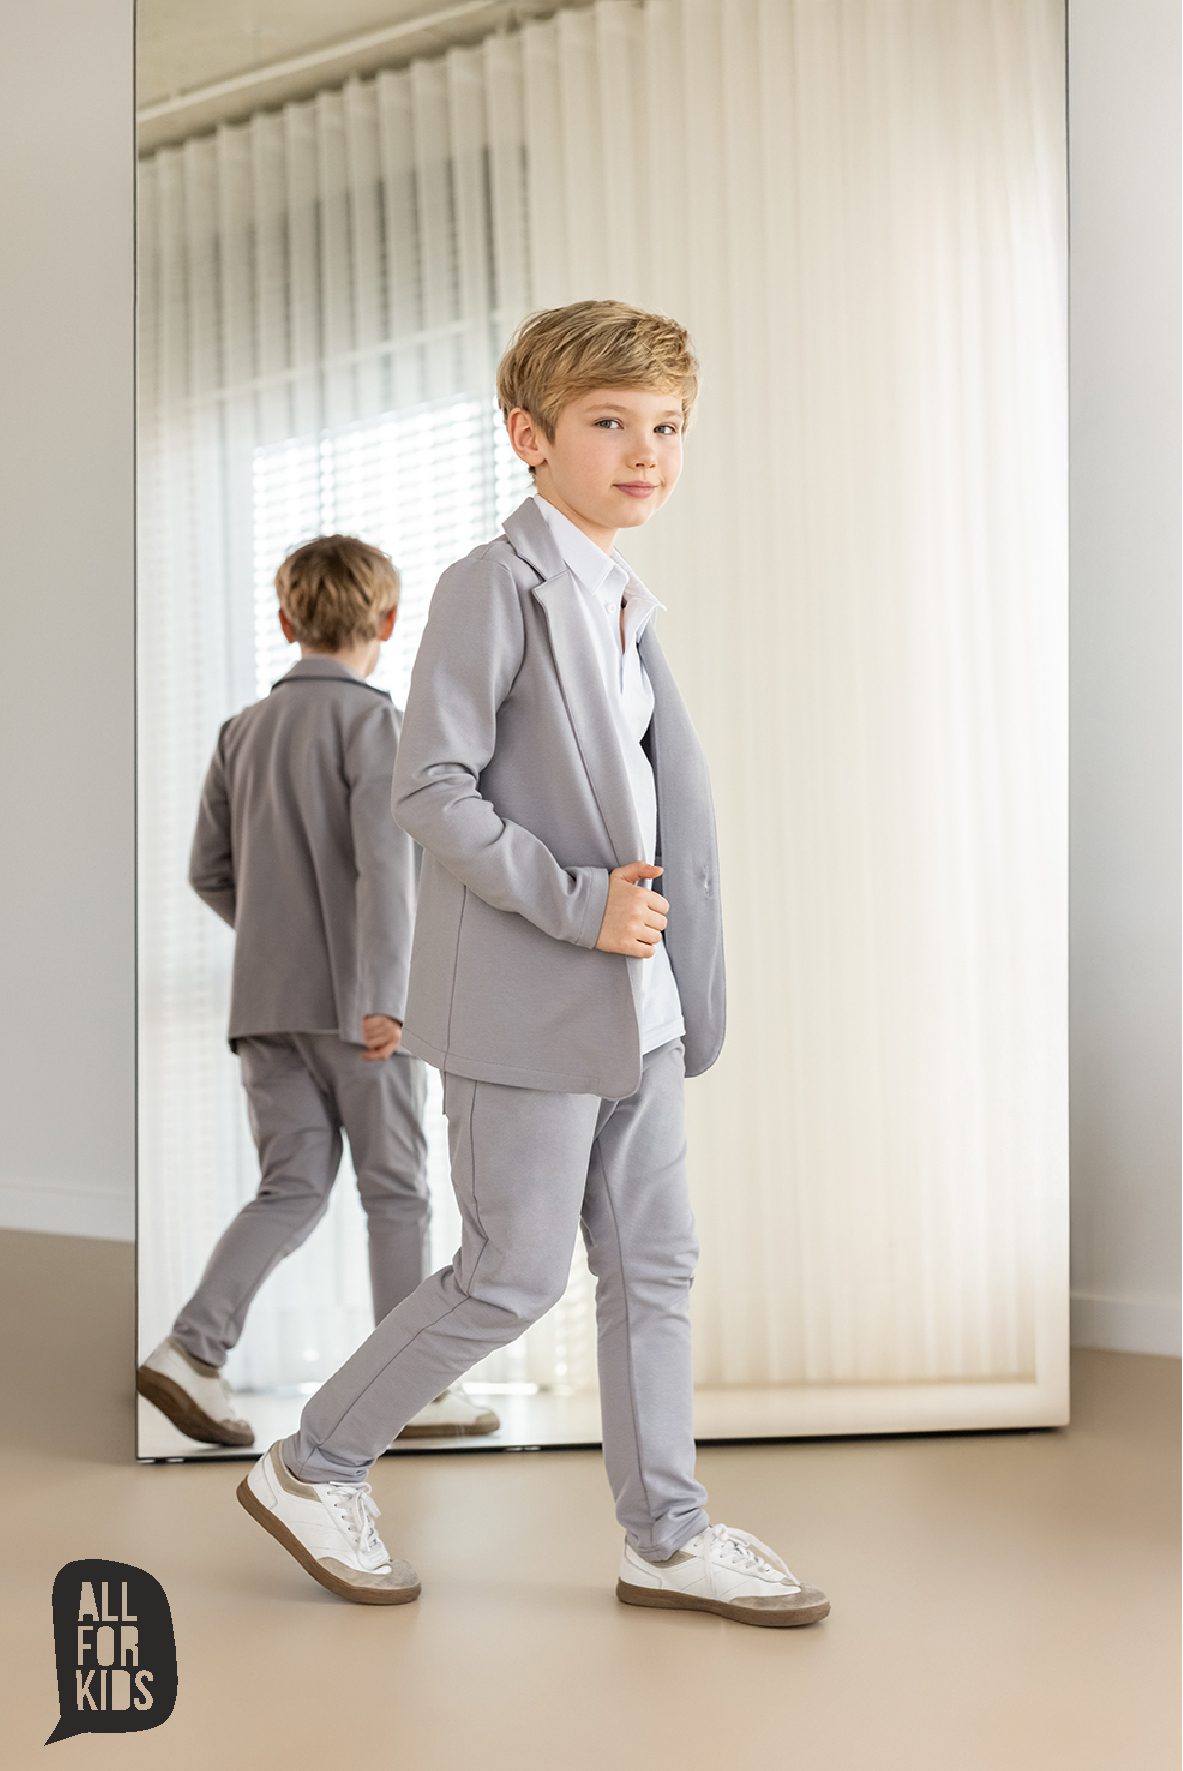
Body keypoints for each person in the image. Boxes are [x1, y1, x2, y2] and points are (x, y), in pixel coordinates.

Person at [237, 301, 830, 1627]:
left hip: (641, 1007)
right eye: (609, 422)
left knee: (654, 1269)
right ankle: (311, 1465)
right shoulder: (488, 586)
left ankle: (664, 1535)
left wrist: (653, 954)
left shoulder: (623, 599)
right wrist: (578, 907)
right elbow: (428, 788)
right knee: (509, 1272)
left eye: (666, 425)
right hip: (531, 1004)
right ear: (530, 435)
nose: (645, 451)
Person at [136, 534, 500, 1451]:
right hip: (362, 1011)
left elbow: (208, 871)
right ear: (389, 620)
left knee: (290, 1185)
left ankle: (191, 1348)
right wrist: (386, 995)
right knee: (397, 1191)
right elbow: (385, 868)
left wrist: (277, 945)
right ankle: (407, 1390)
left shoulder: (241, 730)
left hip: (266, 1010)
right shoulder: (377, 723)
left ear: (286, 618)